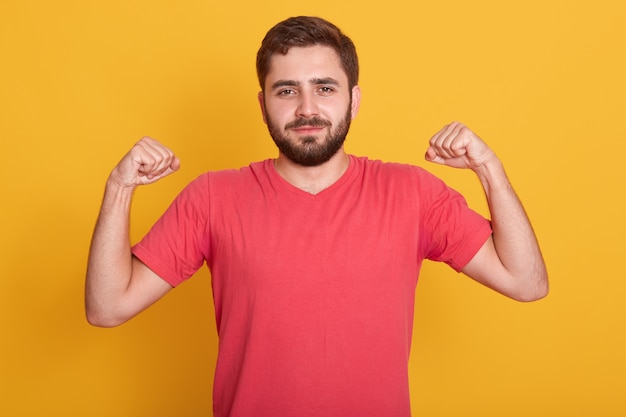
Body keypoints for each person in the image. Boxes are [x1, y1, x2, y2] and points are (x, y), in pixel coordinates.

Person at [85, 16, 548, 417]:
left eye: (325, 88)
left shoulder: (413, 193)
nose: (307, 108)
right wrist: (119, 188)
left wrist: (489, 170)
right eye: (287, 91)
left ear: (354, 99)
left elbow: (526, 282)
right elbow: (107, 307)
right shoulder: (212, 197)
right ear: (263, 104)